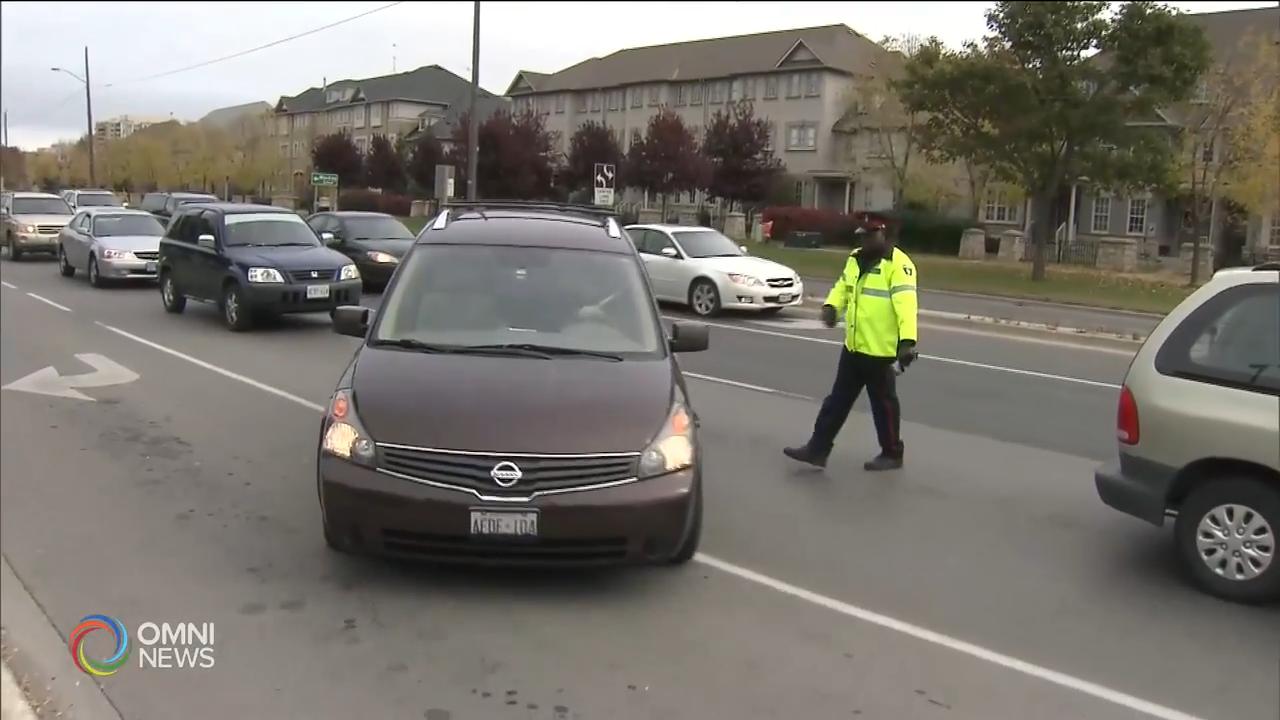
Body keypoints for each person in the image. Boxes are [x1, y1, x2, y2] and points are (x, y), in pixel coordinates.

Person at [784, 223, 918, 471]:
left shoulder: (898, 265)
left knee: (884, 406)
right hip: (854, 346)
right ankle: (817, 449)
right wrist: (832, 307)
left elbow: (906, 306)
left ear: (884, 235)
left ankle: (892, 453)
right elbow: (842, 287)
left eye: (870, 236)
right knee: (836, 402)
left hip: (880, 351)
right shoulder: (855, 259)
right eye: (862, 236)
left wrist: (907, 343)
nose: (865, 241)